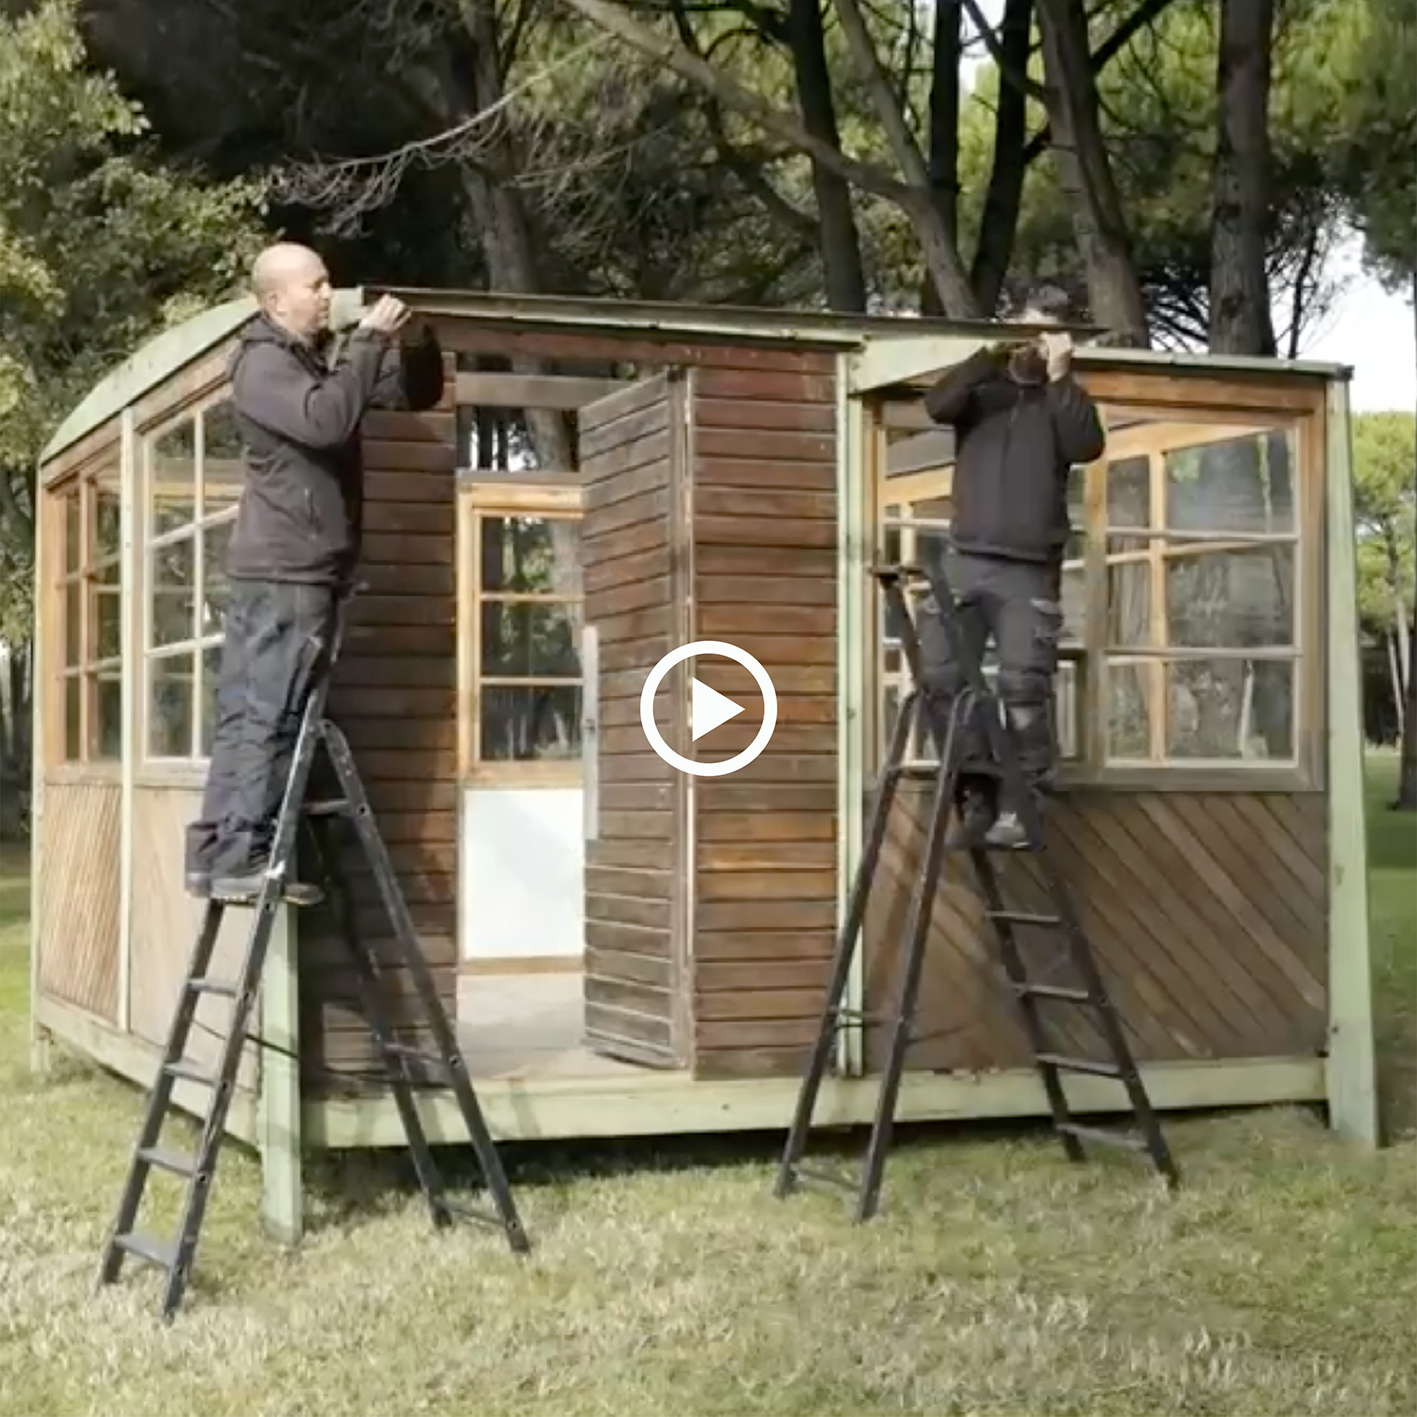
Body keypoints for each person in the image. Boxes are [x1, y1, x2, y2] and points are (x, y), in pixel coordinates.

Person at [184, 243, 445, 905]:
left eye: (329, 282)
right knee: (270, 714)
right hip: (288, 573)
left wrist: (415, 339)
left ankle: (216, 854)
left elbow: (409, 392)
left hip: (282, 569)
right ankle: (244, 858)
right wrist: (365, 341)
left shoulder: (310, 362)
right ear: (276, 300)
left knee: (248, 713)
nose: (328, 293)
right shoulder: (263, 363)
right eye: (316, 284)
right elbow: (328, 422)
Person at [917, 286, 1106, 849]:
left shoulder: (1065, 401)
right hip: (965, 560)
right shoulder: (982, 391)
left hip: (1028, 571)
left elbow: (1086, 445)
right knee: (943, 680)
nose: (1032, 344)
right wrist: (985, 355)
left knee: (1024, 686)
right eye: (1025, 330)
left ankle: (1022, 808)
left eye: (1043, 335)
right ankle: (975, 796)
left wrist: (1061, 377)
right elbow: (936, 405)